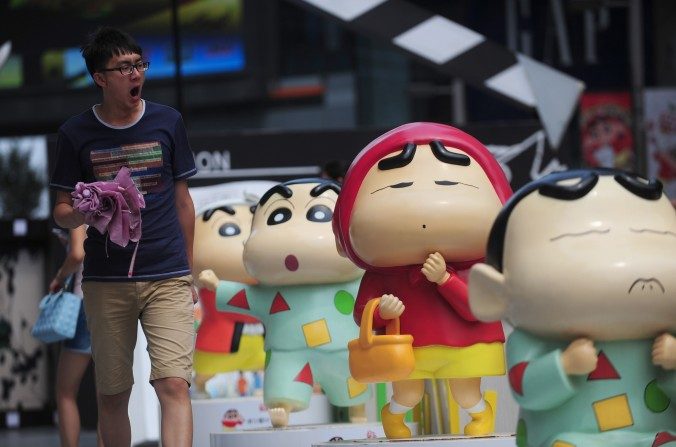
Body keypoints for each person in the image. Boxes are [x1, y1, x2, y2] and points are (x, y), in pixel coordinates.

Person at [49, 26, 197, 447]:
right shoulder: (74, 134)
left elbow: (185, 204)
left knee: (174, 385)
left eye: (140, 65)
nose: (136, 74)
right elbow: (61, 213)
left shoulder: (168, 121)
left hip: (168, 275)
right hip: (106, 281)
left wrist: (189, 271)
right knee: (112, 395)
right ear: (100, 78)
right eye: (124, 67)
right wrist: (84, 209)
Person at [468, 169, 676, 446]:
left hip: (655, 437)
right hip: (568, 439)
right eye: (587, 241)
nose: (632, 265)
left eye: (655, 238)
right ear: (493, 293)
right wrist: (562, 366)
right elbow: (525, 388)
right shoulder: (532, 340)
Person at [333, 122, 512, 439]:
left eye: (446, 183)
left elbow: (477, 309)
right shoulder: (381, 273)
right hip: (408, 347)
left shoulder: (479, 269)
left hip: (465, 344)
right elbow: (362, 313)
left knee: (467, 395)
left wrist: (445, 278)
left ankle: (482, 415)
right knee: (407, 395)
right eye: (398, 188)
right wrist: (381, 312)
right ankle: (394, 417)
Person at [51, 226, 104, 447]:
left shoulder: (82, 199)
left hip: (87, 300)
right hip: (120, 302)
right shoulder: (127, 198)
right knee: (109, 396)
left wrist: (60, 277)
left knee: (65, 391)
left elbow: (77, 253)